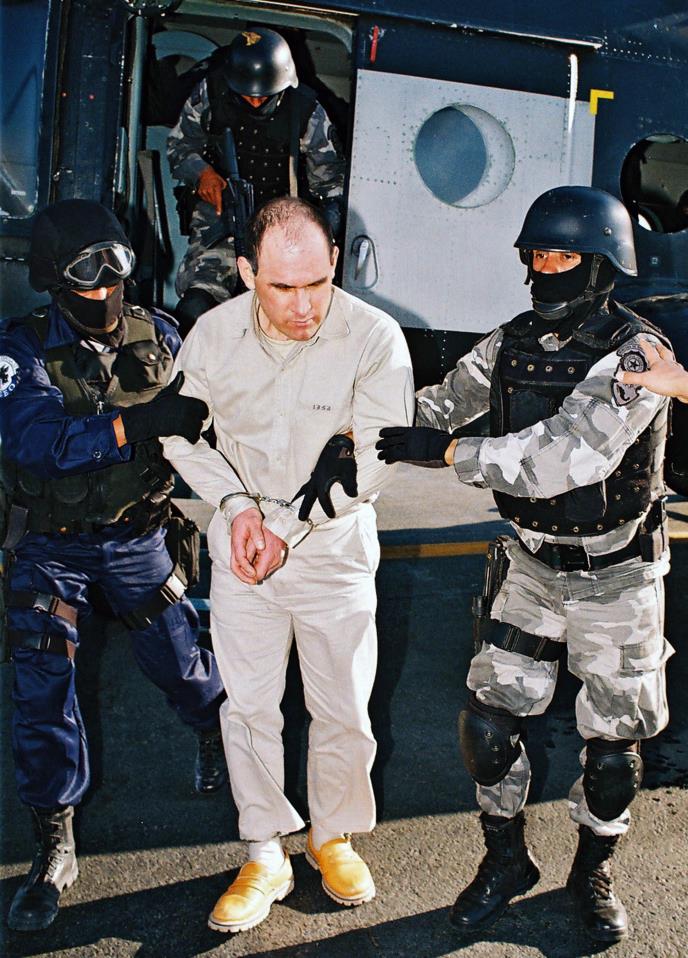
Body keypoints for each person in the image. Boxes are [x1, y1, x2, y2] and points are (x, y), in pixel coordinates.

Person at [376, 186, 674, 944]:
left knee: (612, 753)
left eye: (562, 256)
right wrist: (350, 436)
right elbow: (439, 403)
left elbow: (563, 457)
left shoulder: (638, 356)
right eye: (535, 255)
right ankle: (506, 861)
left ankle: (593, 871)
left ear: (602, 265)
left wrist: (450, 453)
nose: (544, 270)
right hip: (533, 566)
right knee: (488, 727)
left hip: (617, 575)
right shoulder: (511, 341)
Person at [162, 195, 414, 934]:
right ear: (247, 272)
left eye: (317, 283)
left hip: (332, 552)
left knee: (344, 708)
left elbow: (378, 452)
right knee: (248, 709)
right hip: (244, 554)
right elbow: (181, 434)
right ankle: (265, 850)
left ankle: (332, 836)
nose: (304, 306)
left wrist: (284, 525)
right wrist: (238, 509)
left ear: (335, 262)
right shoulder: (212, 336)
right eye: (281, 287)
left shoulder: (374, 337)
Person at [1, 199, 228, 933]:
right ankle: (53, 841)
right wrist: (135, 424)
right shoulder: (21, 350)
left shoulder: (160, 335)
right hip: (52, 544)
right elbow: (37, 443)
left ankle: (215, 733)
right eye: (86, 273)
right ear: (52, 278)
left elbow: (211, 417)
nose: (105, 287)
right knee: (43, 686)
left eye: (117, 267)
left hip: (136, 535)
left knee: (180, 661)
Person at [167, 27, 346, 335]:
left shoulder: (308, 113)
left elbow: (331, 188)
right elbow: (179, 146)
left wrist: (313, 240)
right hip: (221, 217)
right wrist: (201, 173)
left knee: (278, 318)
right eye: (245, 95)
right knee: (197, 307)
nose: (253, 103)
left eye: (263, 97)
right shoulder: (210, 92)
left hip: (282, 227)